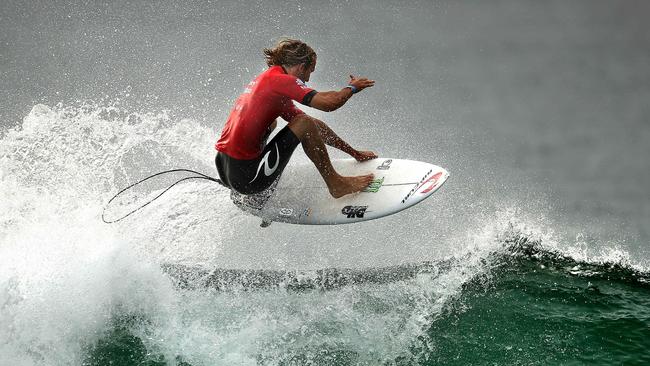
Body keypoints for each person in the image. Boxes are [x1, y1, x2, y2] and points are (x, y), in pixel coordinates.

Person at [215, 38, 377, 199]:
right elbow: (328, 104)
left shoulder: (268, 80)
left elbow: (314, 127)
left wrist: (353, 153)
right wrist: (352, 88)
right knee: (303, 123)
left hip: (225, 169)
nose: (307, 79)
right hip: (248, 180)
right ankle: (336, 184)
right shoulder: (282, 81)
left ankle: (253, 189)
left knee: (282, 122)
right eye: (310, 71)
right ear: (301, 67)